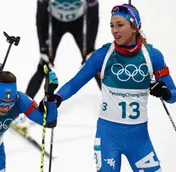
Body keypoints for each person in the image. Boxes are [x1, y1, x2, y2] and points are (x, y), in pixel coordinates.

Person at [52, 3, 176, 171]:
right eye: (112, 25)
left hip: (139, 139)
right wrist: (58, 97)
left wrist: (165, 92)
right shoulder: (103, 55)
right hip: (108, 137)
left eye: (120, 25)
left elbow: (173, 95)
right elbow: (76, 82)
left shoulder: (153, 56)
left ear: (134, 26)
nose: (114, 30)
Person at [25, 0, 101, 100]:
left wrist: (90, 46)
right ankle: (23, 105)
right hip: (56, 24)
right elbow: (41, 18)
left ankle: (114, 97)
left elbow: (94, 17)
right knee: (44, 63)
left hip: (78, 22)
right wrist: (43, 48)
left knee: (92, 61)